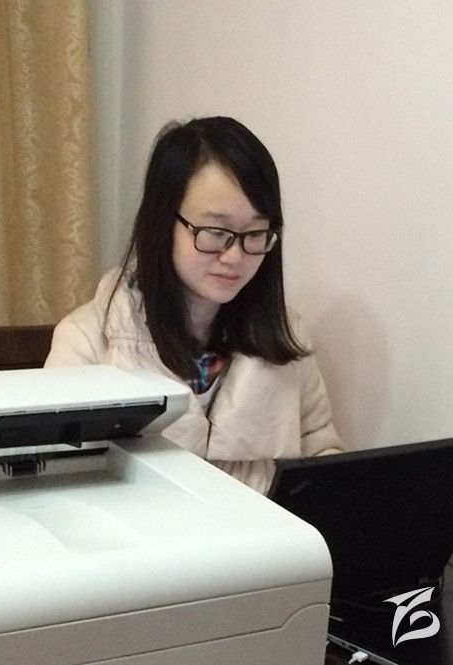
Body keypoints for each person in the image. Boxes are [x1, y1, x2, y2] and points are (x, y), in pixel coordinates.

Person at [45, 116, 344, 493]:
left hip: (263, 532)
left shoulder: (287, 336)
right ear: (162, 223)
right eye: (215, 232)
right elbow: (60, 485)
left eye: (255, 233)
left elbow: (322, 461)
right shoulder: (84, 342)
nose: (235, 257)